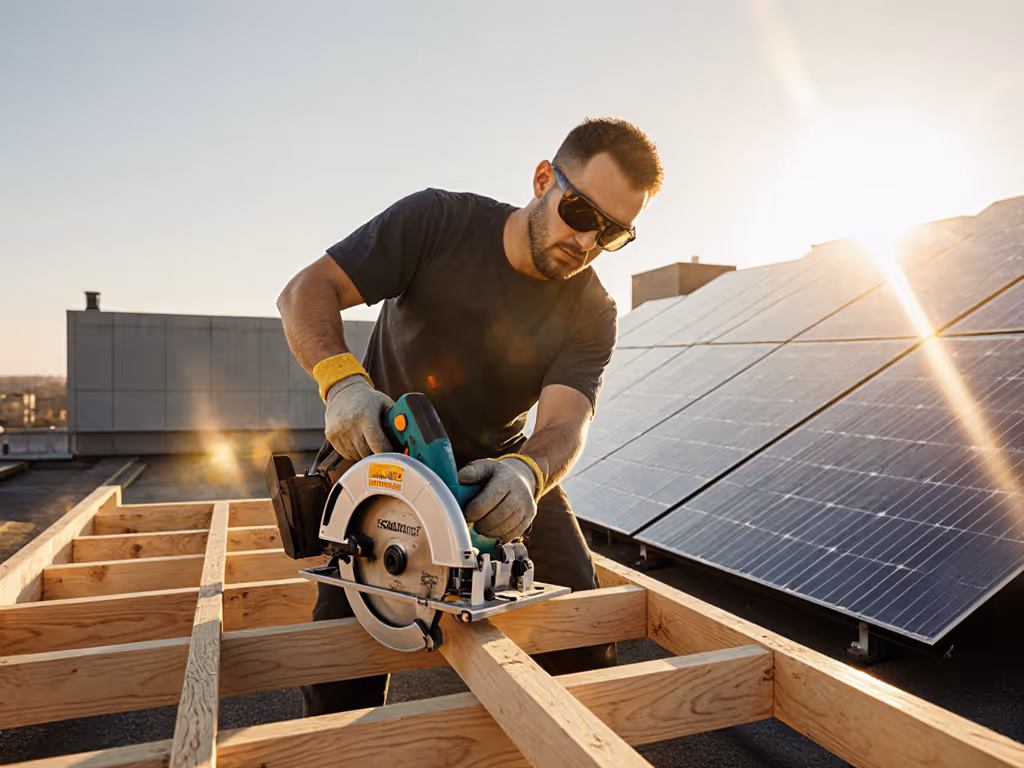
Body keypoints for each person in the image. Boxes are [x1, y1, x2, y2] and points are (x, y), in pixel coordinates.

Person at [276, 117, 663, 715]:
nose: (587, 242)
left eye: (612, 233)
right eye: (581, 213)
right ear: (543, 180)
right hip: (384, 458)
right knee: (341, 667)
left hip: (494, 477)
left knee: (583, 629)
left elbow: (565, 424)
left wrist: (527, 474)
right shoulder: (437, 222)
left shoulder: (592, 309)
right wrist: (344, 385)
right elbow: (306, 290)